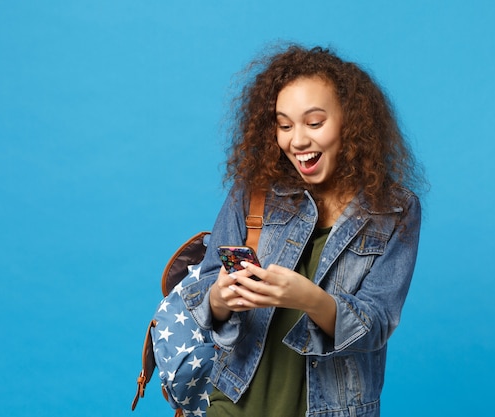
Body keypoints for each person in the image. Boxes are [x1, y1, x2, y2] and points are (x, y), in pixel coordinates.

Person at [181, 44, 425, 417]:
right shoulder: (255, 189)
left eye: (314, 123)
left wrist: (308, 298)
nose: (297, 140)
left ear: (351, 122)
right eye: (284, 125)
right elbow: (208, 289)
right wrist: (220, 298)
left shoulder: (394, 210)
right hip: (234, 402)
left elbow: (376, 324)